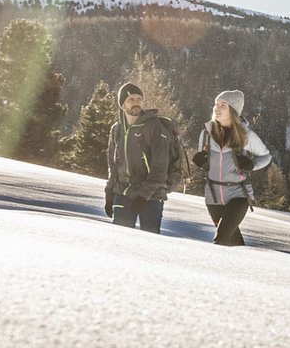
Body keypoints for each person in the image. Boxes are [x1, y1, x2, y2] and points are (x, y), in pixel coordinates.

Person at [194, 88, 274, 246]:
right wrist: (201, 160)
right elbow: (204, 158)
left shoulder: (246, 135)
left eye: (223, 105)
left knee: (221, 238)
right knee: (232, 241)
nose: (217, 108)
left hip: (239, 194)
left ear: (233, 109)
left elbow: (266, 156)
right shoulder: (206, 133)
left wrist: (252, 165)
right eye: (216, 104)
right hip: (213, 195)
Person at [105, 80, 182, 233]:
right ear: (122, 104)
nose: (136, 103)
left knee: (149, 244)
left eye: (139, 99)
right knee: (119, 240)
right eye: (131, 99)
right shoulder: (116, 129)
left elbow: (160, 167)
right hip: (123, 193)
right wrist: (109, 194)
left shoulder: (154, 127)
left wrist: (143, 195)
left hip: (151, 196)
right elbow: (113, 165)